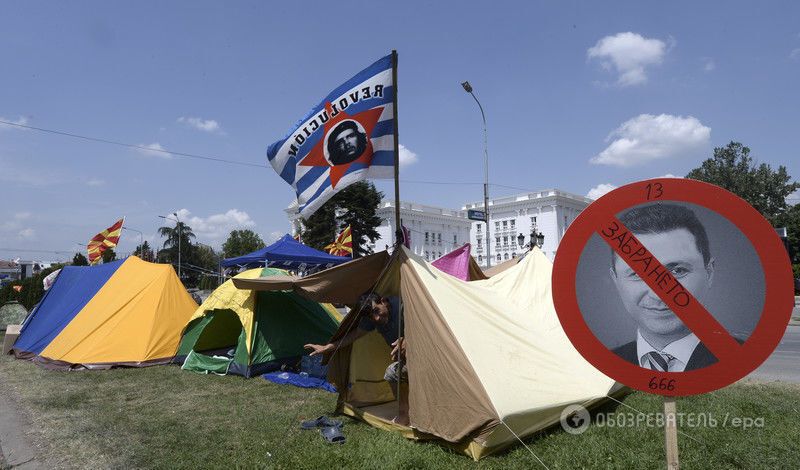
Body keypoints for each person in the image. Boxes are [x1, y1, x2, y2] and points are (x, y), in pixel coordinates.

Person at [610, 203, 718, 372]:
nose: (658, 294)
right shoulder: (611, 363)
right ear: (615, 280)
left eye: (677, 271)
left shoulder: (737, 358)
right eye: (638, 273)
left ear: (709, 273)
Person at [304, 293, 408, 424]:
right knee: (393, 373)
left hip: (425, 356)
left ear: (383, 301)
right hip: (407, 361)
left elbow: (424, 323)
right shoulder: (372, 317)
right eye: (371, 316)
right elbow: (353, 335)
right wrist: (328, 347)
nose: (376, 318)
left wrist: (407, 339)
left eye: (377, 311)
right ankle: (405, 413)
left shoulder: (403, 306)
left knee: (392, 373)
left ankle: (405, 415)